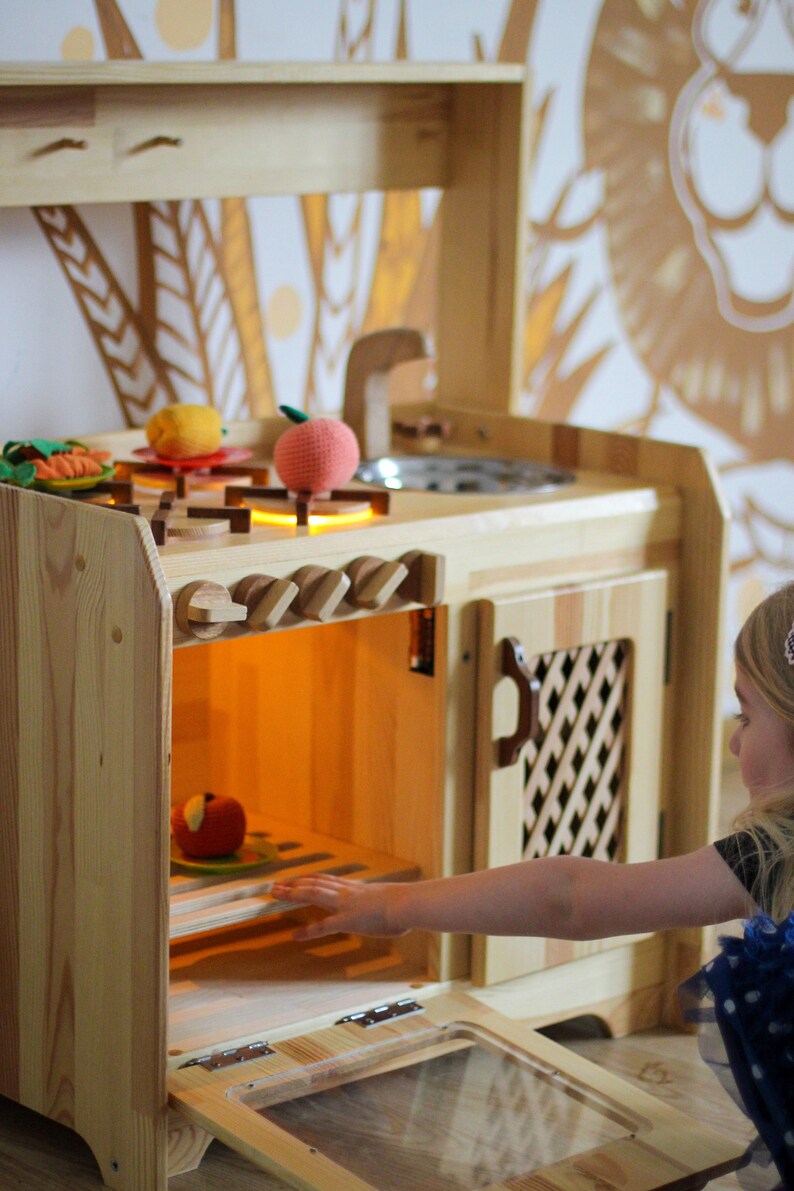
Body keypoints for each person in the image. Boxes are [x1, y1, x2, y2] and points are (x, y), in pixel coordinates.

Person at [271, 580, 794, 1186]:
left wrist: (393, 905)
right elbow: (568, 895)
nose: (734, 740)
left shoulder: (775, 852)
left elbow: (570, 898)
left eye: (746, 715)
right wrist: (393, 903)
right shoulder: (767, 855)